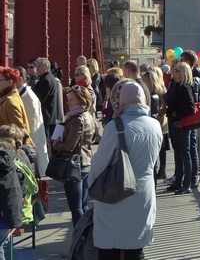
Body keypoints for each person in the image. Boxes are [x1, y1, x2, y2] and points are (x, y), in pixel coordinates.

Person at [89, 81, 162, 260]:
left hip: (116, 192)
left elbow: (99, 165)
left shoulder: (115, 127)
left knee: (110, 248)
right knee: (135, 247)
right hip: (143, 191)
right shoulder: (154, 125)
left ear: (121, 101)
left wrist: (92, 187)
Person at [51, 85, 95, 227]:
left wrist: (57, 145)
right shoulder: (88, 115)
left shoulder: (77, 119)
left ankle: (79, 241)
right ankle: (87, 238)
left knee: (76, 207)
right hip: (86, 162)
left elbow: (70, 146)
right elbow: (96, 136)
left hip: (75, 165)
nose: (68, 102)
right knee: (83, 204)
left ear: (81, 101)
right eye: (68, 99)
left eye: (71, 99)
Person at [165, 62, 195, 195]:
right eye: (174, 70)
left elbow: (190, 107)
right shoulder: (175, 85)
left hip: (181, 124)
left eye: (177, 71)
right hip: (174, 122)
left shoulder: (185, 87)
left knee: (185, 154)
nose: (173, 72)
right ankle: (178, 181)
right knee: (177, 152)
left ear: (183, 73)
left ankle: (186, 184)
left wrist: (177, 113)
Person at [15, 66, 49, 177]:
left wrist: (26, 147)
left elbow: (32, 127)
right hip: (29, 146)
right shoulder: (24, 94)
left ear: (20, 79)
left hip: (30, 147)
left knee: (34, 176)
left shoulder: (28, 97)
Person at [180, 50, 200, 188]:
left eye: (182, 59)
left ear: (189, 62)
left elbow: (192, 98)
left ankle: (193, 175)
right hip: (193, 115)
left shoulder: (193, 76)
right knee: (191, 146)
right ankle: (192, 174)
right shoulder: (197, 73)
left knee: (191, 147)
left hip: (191, 116)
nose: (180, 62)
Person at [141, 68, 168, 180]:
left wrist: (159, 115)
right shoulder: (146, 92)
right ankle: (156, 168)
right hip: (155, 122)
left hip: (160, 122)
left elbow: (165, 106)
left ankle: (162, 169)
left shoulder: (160, 91)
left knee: (161, 147)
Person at [0, 66, 33, 146]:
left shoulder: (10, 101)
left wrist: (28, 143)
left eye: (0, 80)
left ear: (10, 82)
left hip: (9, 148)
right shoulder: (9, 97)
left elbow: (20, 129)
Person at [33, 57, 61, 143]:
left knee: (45, 140)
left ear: (46, 67)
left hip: (46, 115)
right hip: (49, 115)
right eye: (36, 66)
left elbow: (39, 99)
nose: (37, 68)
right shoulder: (48, 77)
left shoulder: (46, 80)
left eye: (40, 66)